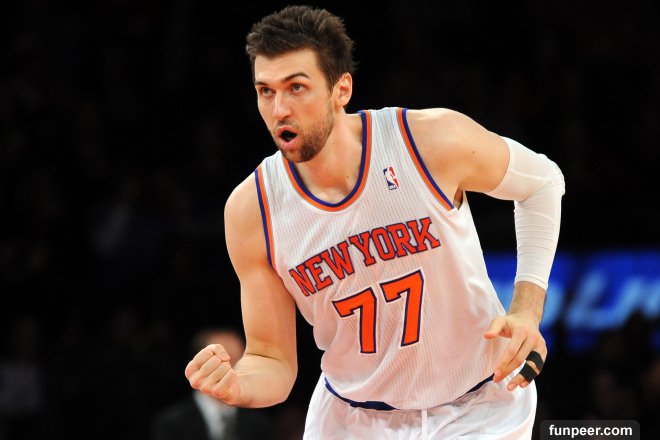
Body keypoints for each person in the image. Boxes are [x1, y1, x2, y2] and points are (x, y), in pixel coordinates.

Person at [185, 5, 565, 439]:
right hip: (352, 418)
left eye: (296, 88)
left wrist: (527, 309)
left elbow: (542, 182)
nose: (279, 109)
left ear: (341, 89)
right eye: (265, 91)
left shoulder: (428, 141)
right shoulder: (252, 210)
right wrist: (239, 385)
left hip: (478, 405)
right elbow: (272, 360)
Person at [153, 328, 270, 440]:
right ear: (198, 363)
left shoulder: (259, 424)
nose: (232, 369)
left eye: (238, 359)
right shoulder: (172, 423)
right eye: (222, 362)